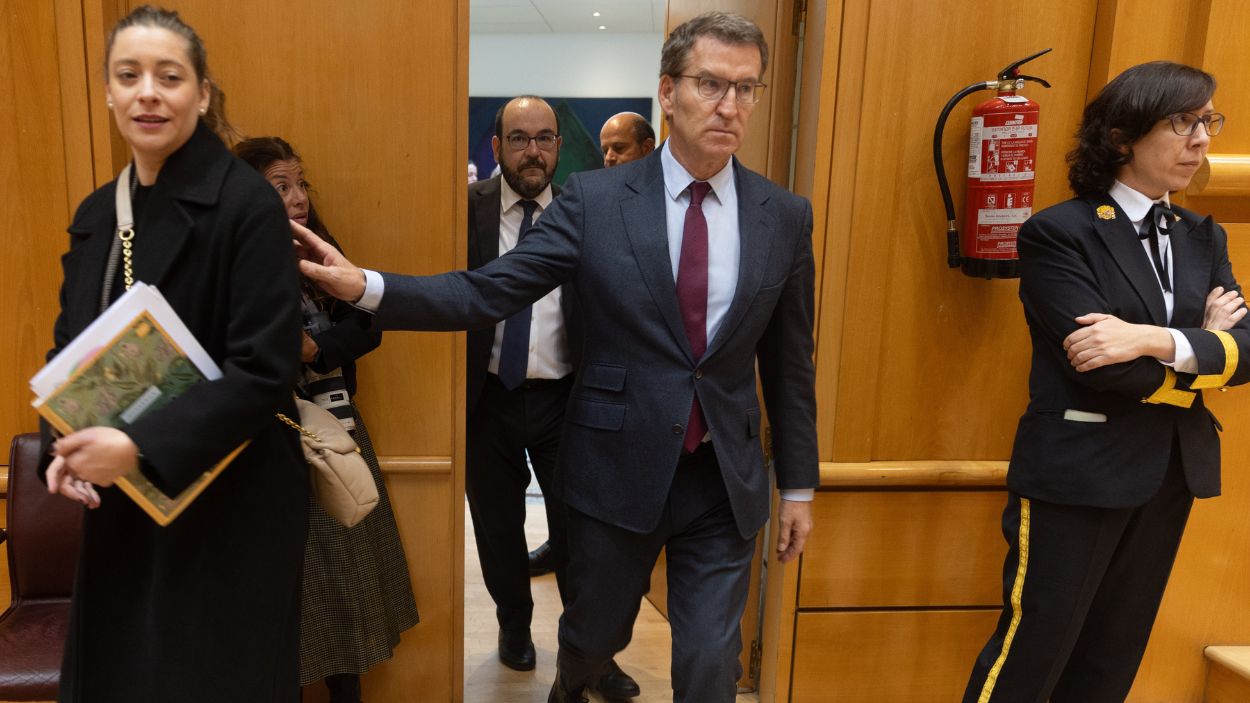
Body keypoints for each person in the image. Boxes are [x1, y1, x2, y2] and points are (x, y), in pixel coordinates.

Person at [292, 12, 817, 703]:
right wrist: (366, 287)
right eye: (711, 84)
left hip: (722, 478)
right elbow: (485, 292)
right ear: (667, 91)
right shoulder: (595, 202)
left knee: (710, 660)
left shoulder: (782, 214)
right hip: (615, 469)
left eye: (746, 89)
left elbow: (789, 363)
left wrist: (798, 486)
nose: (730, 106)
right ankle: (571, 684)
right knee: (591, 639)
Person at [41, 6, 307, 701]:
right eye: (128, 76)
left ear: (202, 93)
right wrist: (62, 442)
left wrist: (136, 446)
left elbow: (265, 371)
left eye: (169, 76)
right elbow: (71, 347)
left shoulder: (248, 205)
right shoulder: (100, 212)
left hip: (233, 500)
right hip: (128, 503)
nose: (147, 93)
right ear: (108, 92)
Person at [962, 61, 1249, 703]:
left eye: (1208, 121)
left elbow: (1248, 351)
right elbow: (1105, 368)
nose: (1202, 140)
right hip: (1079, 474)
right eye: (1182, 122)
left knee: (1110, 661)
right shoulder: (1059, 233)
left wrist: (1150, 338)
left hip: (1170, 470)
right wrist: (1202, 355)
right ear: (1123, 137)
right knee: (1033, 655)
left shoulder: (1204, 235)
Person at [233, 137, 419, 703]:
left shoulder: (318, 249)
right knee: (288, 603)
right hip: (275, 446)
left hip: (337, 435)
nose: (297, 199)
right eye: (280, 187)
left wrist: (317, 351)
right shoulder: (233, 263)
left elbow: (368, 324)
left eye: (300, 184)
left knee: (352, 592)